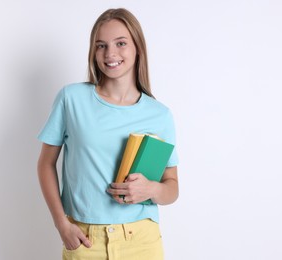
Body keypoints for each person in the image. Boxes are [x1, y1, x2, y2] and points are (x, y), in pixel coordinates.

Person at [37, 8, 179, 260]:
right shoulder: (71, 99)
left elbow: (172, 188)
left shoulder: (160, 115)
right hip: (84, 240)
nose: (110, 53)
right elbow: (45, 164)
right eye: (101, 45)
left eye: (120, 43)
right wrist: (61, 224)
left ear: (138, 48)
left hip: (141, 241)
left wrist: (150, 190)